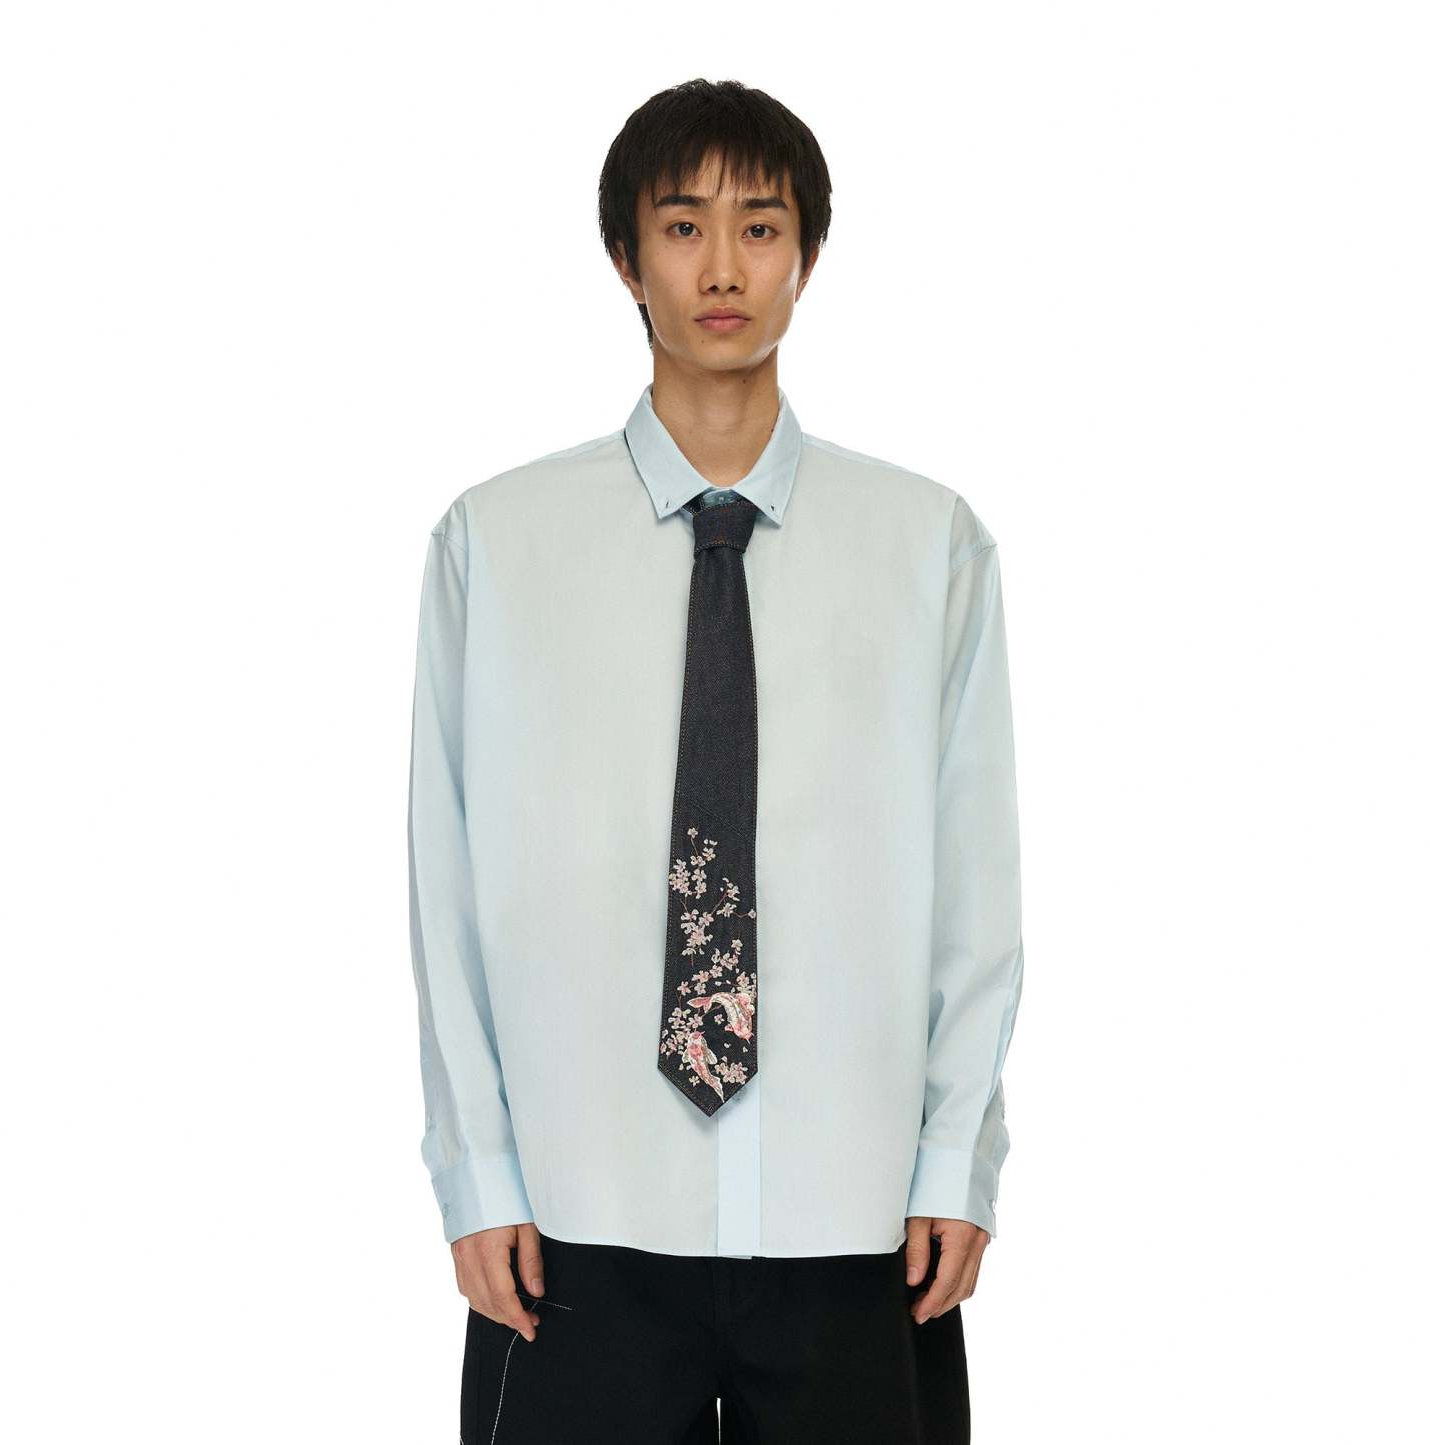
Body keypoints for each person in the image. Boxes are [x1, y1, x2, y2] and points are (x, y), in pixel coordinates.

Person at [407, 77, 1025, 1445]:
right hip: (574, 1220)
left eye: (762, 225)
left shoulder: (927, 546)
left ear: (807, 253)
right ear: (627, 259)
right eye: (684, 226)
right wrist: (477, 1171)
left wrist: (953, 1155)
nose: (725, 267)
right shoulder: (496, 545)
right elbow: (444, 880)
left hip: (857, 1215)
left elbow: (976, 880)